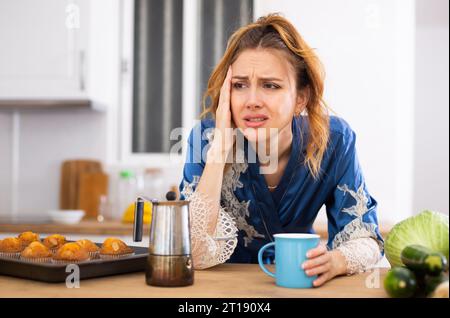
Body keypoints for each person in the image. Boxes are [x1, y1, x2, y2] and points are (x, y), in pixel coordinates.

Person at [179, 13, 383, 287]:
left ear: (301, 98)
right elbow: (193, 252)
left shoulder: (334, 140)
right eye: (240, 85)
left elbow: (366, 239)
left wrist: (337, 260)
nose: (252, 101)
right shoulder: (205, 140)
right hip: (222, 292)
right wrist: (219, 152)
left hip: (299, 286)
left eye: (270, 85)